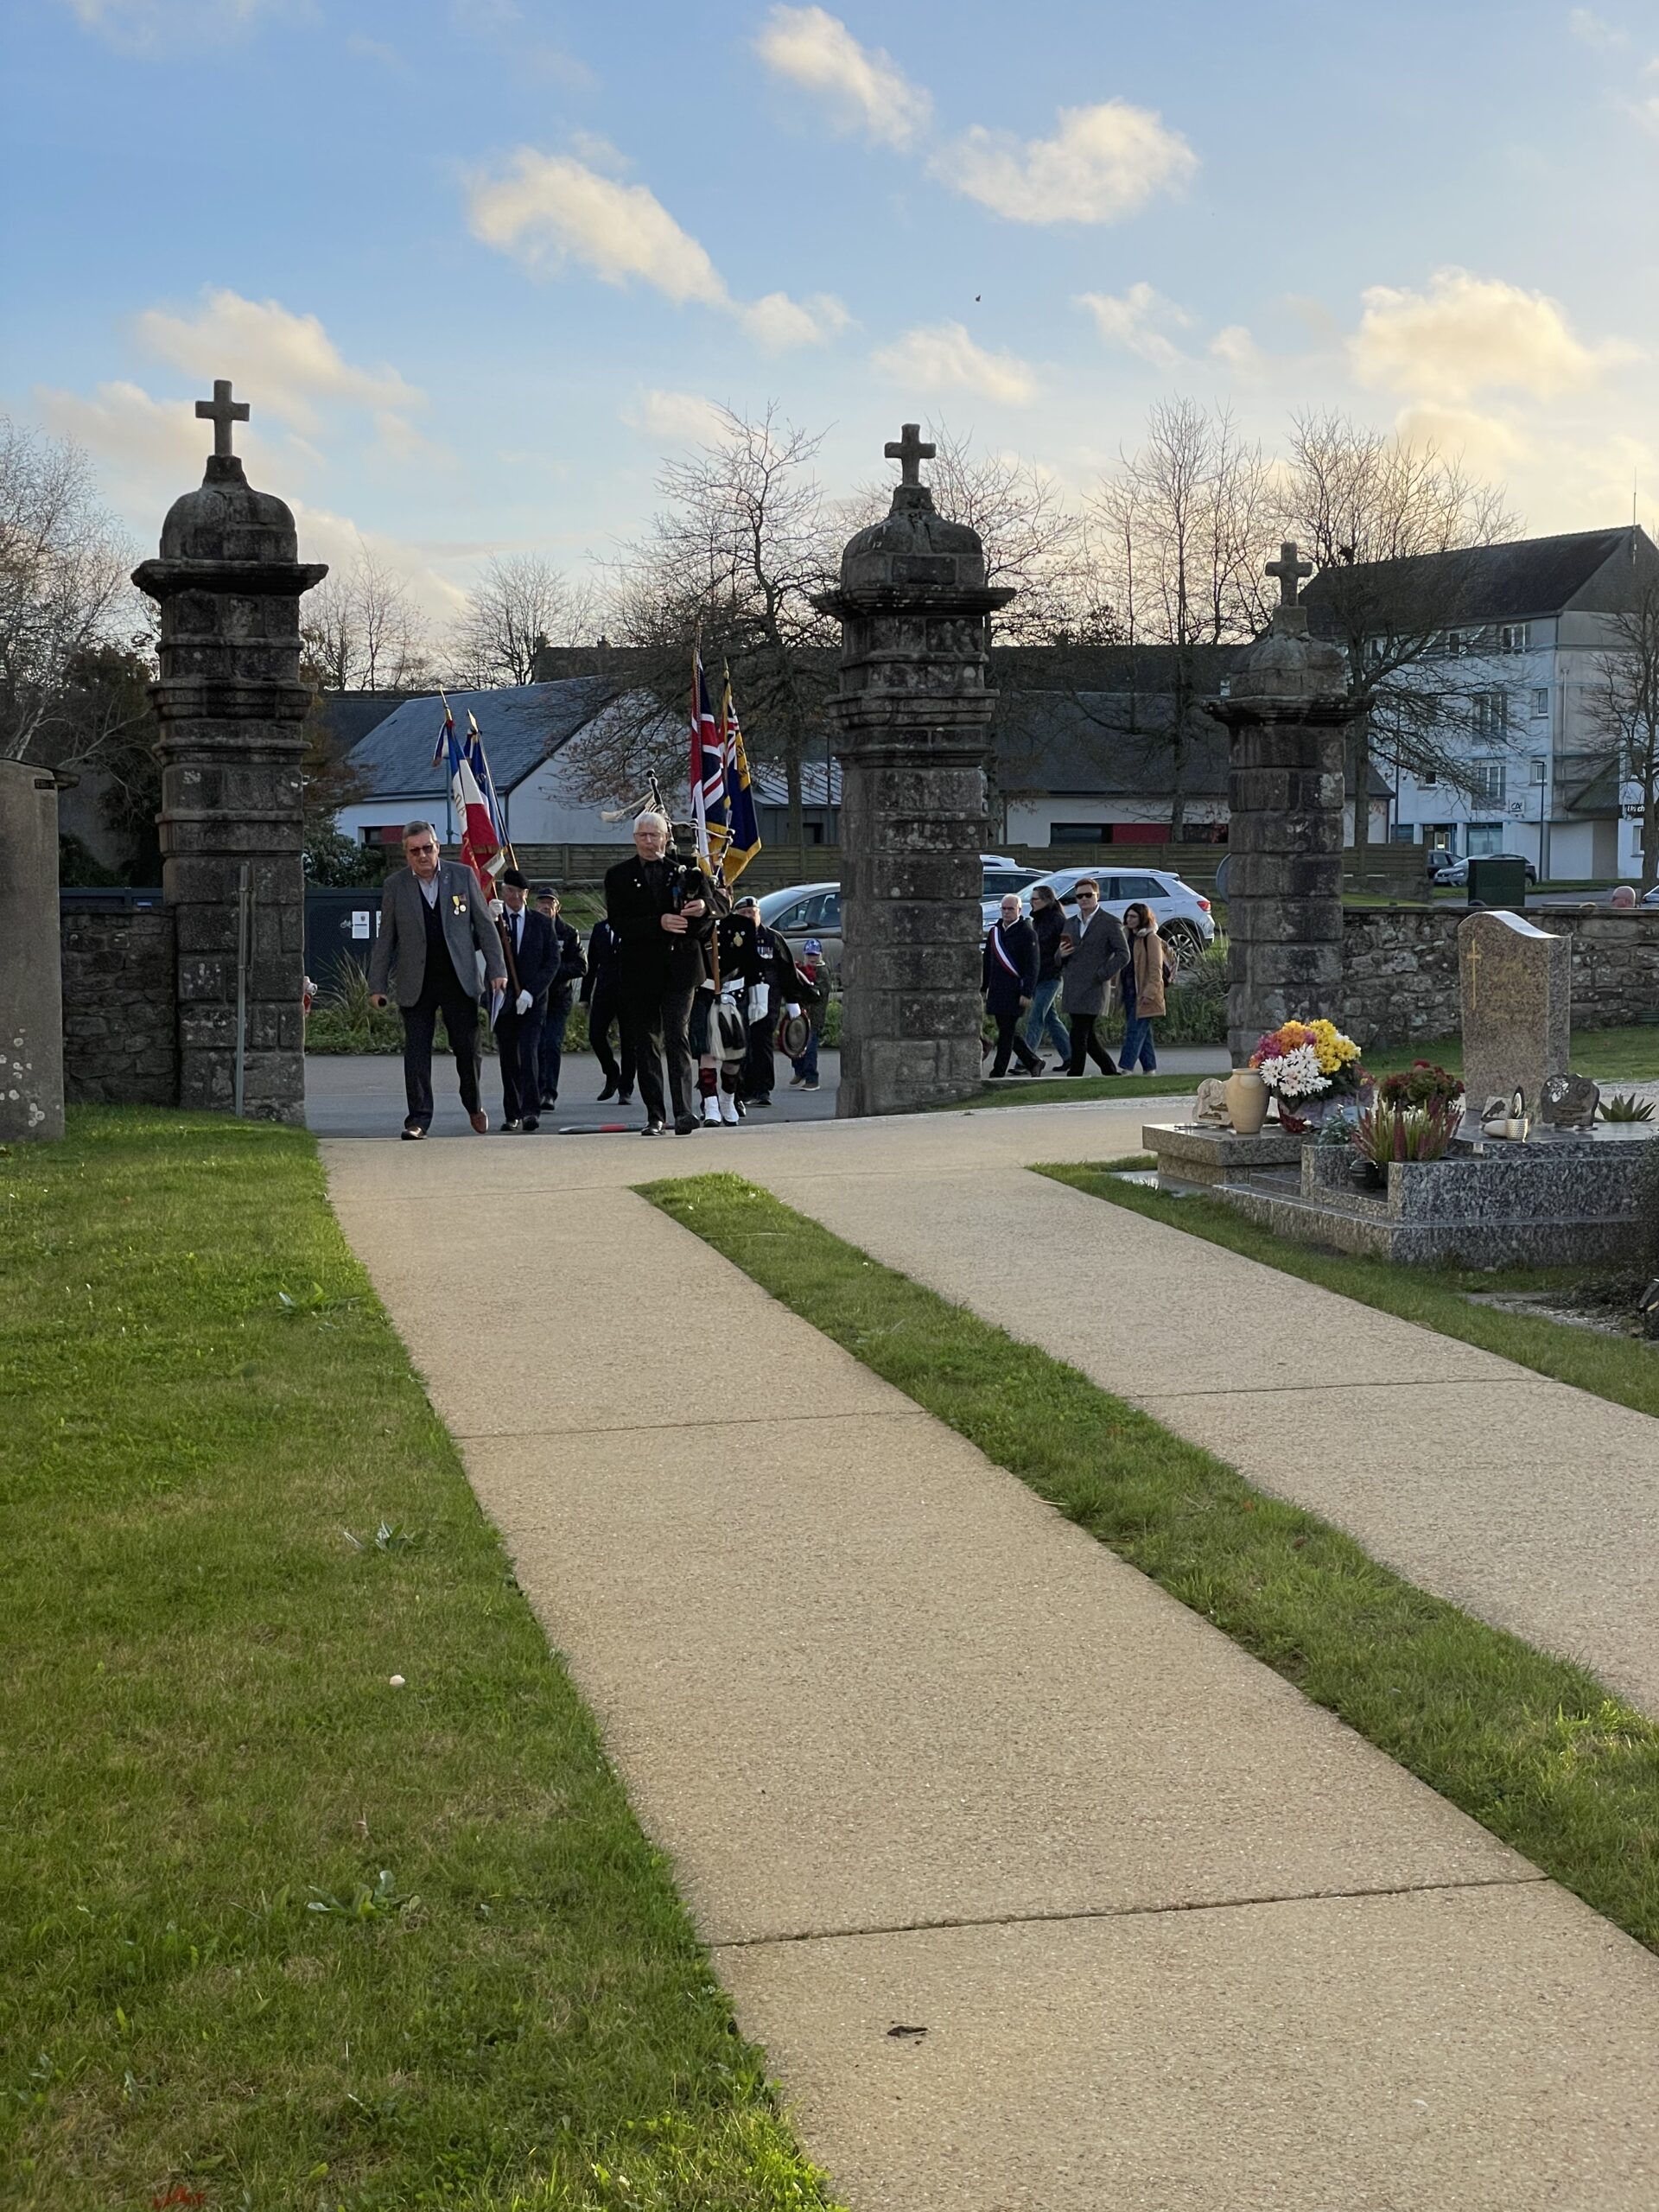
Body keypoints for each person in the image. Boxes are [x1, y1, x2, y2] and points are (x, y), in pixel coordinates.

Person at [368, 820, 508, 1140]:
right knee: (416, 1053)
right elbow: (385, 939)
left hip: (458, 979)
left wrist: (497, 970)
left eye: (427, 848)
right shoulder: (396, 886)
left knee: (467, 1050)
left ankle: (473, 1104)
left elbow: (485, 927)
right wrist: (377, 986)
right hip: (416, 982)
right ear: (406, 854)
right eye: (415, 851)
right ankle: (418, 1119)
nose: (422, 856)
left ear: (437, 847)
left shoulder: (462, 876)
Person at [603, 810, 714, 1135]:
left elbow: (713, 910)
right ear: (635, 839)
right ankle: (655, 1115)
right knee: (645, 1042)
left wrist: (703, 909)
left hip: (680, 969)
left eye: (655, 835)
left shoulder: (684, 871)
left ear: (666, 838)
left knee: (677, 1037)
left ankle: (683, 1112)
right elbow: (618, 923)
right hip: (640, 970)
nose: (649, 842)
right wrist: (659, 922)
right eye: (643, 836)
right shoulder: (619, 876)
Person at [493, 868, 560, 1131]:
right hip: (504, 1000)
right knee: (508, 1058)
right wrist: (486, 920)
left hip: (532, 1001)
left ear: (526, 895)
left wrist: (532, 992)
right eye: (510, 891)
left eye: (519, 893)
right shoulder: (496, 921)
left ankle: (531, 1110)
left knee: (529, 1054)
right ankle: (512, 1113)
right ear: (503, 891)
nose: (514, 897)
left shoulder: (541, 923)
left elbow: (552, 961)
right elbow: (477, 943)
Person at [727, 893, 806, 1109]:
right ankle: (739, 1091)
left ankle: (762, 1090)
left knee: (762, 1044)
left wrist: (793, 1001)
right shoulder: (732, 938)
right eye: (743, 913)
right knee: (741, 1044)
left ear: (759, 914)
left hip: (767, 999)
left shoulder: (772, 938)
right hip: (740, 998)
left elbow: (787, 971)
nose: (749, 917)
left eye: (752, 913)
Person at [1058, 877, 1128, 1077]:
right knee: (1087, 1036)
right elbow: (1059, 954)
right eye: (1080, 896)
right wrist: (1060, 955)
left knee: (1079, 1032)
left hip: (1094, 986)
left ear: (1097, 896)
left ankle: (1075, 1074)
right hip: (1073, 985)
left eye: (1088, 895)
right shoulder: (1070, 923)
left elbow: (1123, 954)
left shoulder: (1109, 922)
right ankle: (1109, 1070)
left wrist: (1102, 974)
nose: (1084, 899)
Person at [531, 887, 585, 1111]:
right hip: (533, 998)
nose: (546, 906)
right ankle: (534, 1089)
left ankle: (548, 1092)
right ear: (535, 906)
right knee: (534, 1045)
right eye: (542, 902)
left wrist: (553, 971)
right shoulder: (529, 930)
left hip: (558, 998)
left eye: (550, 903)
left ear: (557, 907)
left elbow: (581, 966)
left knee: (551, 1043)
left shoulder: (568, 933)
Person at [982, 891, 1042, 1077]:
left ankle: (999, 1070)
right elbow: (988, 961)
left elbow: (1033, 965)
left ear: (1019, 910)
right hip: (997, 990)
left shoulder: (1027, 933)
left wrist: (1027, 992)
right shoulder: (995, 932)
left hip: (1015, 991)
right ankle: (1033, 1062)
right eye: (1004, 909)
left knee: (1006, 1033)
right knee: (1007, 1030)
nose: (1007, 912)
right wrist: (983, 988)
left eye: (1011, 909)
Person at [580, 909, 634, 1105]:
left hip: (629, 993)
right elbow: (591, 966)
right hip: (604, 992)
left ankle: (625, 1088)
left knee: (629, 1042)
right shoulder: (600, 929)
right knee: (596, 1035)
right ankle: (612, 1072)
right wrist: (584, 996)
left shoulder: (633, 928)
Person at [1118, 899, 1175, 1075]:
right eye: (1128, 916)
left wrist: (1149, 993)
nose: (1129, 919)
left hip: (1145, 992)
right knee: (1143, 1031)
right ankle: (1150, 1069)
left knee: (1135, 1030)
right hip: (1129, 990)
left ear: (1142, 918)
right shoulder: (1127, 936)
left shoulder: (1150, 938)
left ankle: (1125, 1067)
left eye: (1134, 916)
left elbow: (1155, 969)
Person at [1020, 883, 1071, 1074]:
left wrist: (1056, 964)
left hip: (1051, 975)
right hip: (1038, 975)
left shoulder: (1056, 920)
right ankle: (1069, 1055)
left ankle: (1026, 1061)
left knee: (1036, 1018)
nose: (1031, 902)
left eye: (1035, 899)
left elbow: (1061, 949)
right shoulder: (1038, 920)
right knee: (1051, 1018)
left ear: (1047, 901)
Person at [787, 937, 827, 1090]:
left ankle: (812, 1078)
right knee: (795, 1046)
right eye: (810, 955)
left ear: (820, 955)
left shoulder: (822, 972)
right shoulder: (803, 969)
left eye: (815, 955)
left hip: (814, 1017)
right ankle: (800, 1071)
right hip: (801, 1016)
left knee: (810, 1049)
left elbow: (818, 994)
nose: (812, 958)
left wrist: (804, 987)